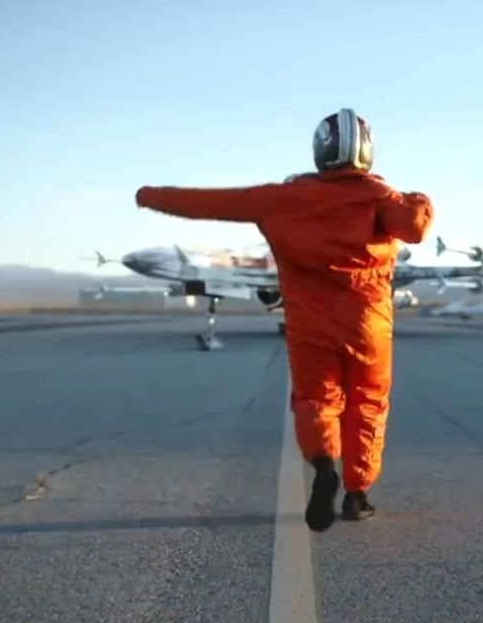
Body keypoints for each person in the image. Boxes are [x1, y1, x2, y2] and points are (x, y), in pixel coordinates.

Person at [134, 108, 433, 532]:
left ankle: (324, 466)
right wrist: (416, 197)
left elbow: (209, 203)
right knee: (368, 404)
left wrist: (152, 195)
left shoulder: (283, 199)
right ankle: (357, 495)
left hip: (309, 322)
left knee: (315, 400)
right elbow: (416, 228)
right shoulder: (381, 199)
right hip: (369, 325)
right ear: (366, 151)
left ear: (320, 150)